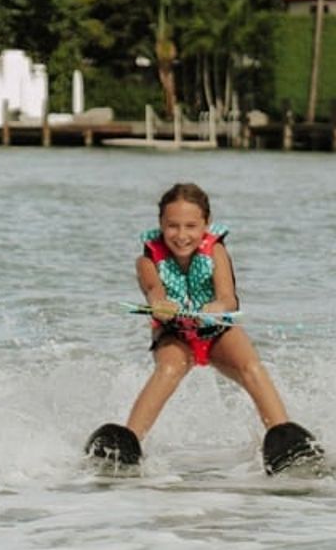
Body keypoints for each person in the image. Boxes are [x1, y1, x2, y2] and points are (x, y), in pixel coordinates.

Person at [122, 182, 297, 447]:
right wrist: (161, 305)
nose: (181, 235)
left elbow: (228, 297)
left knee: (251, 368)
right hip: (174, 332)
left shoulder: (216, 251)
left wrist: (217, 307)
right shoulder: (146, 259)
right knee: (168, 369)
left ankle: (285, 439)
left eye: (191, 226)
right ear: (160, 223)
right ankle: (128, 442)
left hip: (216, 329)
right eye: (172, 226)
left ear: (206, 223)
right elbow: (153, 290)